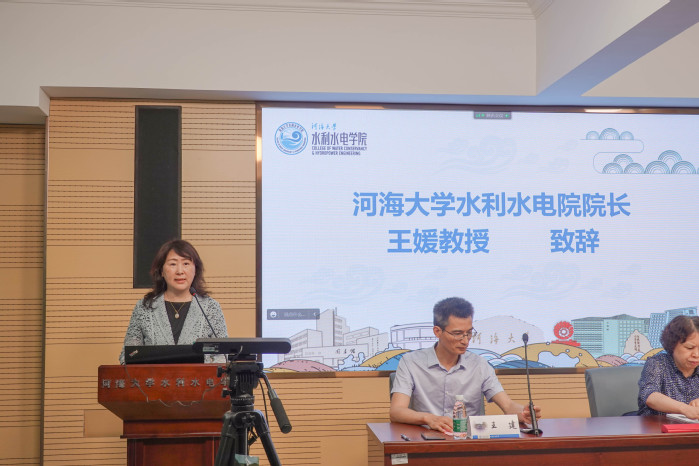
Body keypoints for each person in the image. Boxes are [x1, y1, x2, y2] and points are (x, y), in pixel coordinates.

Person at [389, 297, 541, 434]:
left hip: (468, 443)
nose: (465, 340)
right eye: (457, 333)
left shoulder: (479, 365)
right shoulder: (411, 362)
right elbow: (397, 411)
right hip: (427, 441)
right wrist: (429, 419)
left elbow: (508, 406)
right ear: (437, 331)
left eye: (469, 333)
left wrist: (523, 413)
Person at [119, 239, 228, 364]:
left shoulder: (211, 307)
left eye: (186, 263)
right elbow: (127, 356)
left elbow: (223, 356)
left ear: (195, 269)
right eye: (173, 264)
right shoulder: (144, 308)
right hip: (155, 377)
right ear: (161, 271)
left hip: (198, 377)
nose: (180, 271)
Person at [638, 315, 699, 419]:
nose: (696, 354)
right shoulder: (657, 363)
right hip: (656, 426)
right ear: (672, 345)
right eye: (689, 348)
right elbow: (649, 395)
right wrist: (685, 409)